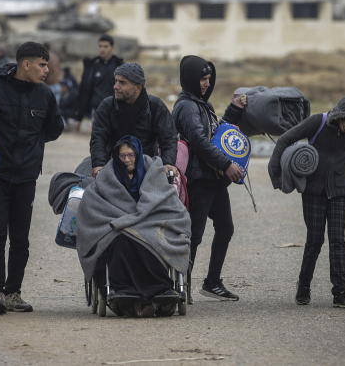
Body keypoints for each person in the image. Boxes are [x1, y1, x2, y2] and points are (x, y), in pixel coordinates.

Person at [0, 42, 64, 315]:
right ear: (26, 65)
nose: (47, 70)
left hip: (26, 177)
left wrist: (33, 144)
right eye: (42, 64)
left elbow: (54, 128)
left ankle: (14, 292)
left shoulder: (46, 96)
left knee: (21, 239)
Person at [269, 92, 345, 308]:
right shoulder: (318, 121)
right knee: (315, 241)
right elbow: (286, 139)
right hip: (313, 190)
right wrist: (276, 171)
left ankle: (340, 294)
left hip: (339, 191)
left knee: (338, 242)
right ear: (340, 116)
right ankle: (303, 288)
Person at [77, 136, 191, 318]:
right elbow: (91, 206)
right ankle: (123, 289)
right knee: (121, 240)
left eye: (131, 155)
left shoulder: (153, 174)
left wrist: (141, 220)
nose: (127, 159)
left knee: (152, 239)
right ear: (115, 156)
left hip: (150, 222)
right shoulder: (107, 177)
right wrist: (124, 222)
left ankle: (161, 289)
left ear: (138, 154)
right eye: (122, 155)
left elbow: (170, 204)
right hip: (116, 225)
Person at [172, 55, 247, 303]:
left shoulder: (202, 104)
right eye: (203, 79)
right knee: (194, 235)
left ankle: (212, 282)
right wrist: (226, 165)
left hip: (213, 179)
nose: (206, 83)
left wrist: (234, 110)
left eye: (209, 79)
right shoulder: (187, 106)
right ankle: (182, 287)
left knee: (226, 228)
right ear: (192, 79)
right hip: (198, 179)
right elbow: (200, 142)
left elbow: (215, 135)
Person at [89, 62, 178, 179]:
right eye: (116, 81)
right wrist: (99, 164)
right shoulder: (107, 107)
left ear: (137, 87)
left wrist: (168, 163)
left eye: (122, 83)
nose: (116, 86)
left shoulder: (155, 106)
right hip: (113, 166)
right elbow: (98, 138)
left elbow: (168, 138)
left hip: (147, 166)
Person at [74, 34, 124, 131]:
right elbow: (84, 90)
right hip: (97, 107)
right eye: (100, 46)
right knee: (99, 137)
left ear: (112, 48)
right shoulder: (93, 65)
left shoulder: (119, 66)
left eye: (105, 46)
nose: (102, 49)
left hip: (114, 108)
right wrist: (79, 116)